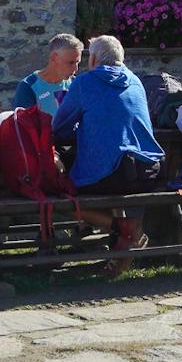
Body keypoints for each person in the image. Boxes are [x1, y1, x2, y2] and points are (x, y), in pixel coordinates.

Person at [52, 35, 165, 275]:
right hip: (148, 170)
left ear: (92, 59)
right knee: (105, 165)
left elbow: (59, 130)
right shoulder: (135, 81)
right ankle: (119, 252)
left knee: (60, 194)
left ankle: (121, 227)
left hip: (113, 174)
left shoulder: (84, 83)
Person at [14, 33, 83, 115]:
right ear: (54, 57)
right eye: (70, 63)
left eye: (77, 62)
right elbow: (24, 125)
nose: (76, 68)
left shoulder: (75, 84)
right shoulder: (28, 87)